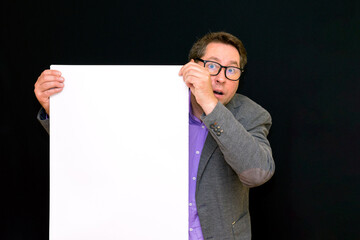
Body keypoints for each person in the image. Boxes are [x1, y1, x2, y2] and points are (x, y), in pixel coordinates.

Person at [34, 31, 275, 240]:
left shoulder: (252, 115)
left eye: (232, 70)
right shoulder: (152, 102)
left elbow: (256, 173)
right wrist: (58, 110)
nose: (221, 77)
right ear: (193, 67)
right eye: (212, 65)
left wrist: (211, 106)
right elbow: (99, 148)